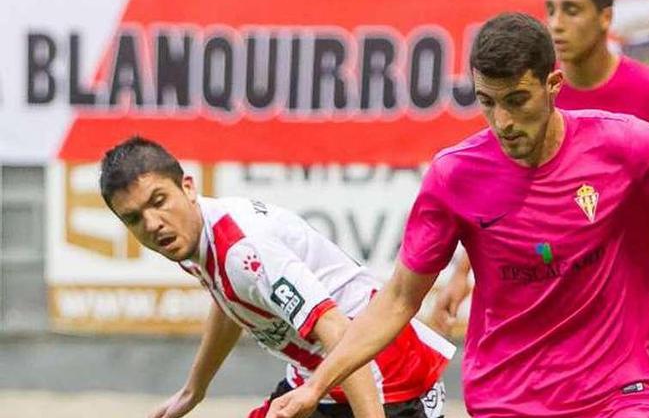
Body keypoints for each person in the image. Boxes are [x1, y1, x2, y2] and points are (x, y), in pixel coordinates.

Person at [266, 13, 649, 418]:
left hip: (620, 393)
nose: (503, 121)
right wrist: (319, 386)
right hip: (507, 398)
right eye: (487, 102)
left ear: (554, 83)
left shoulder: (624, 144)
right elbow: (398, 300)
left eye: (517, 100)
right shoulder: (454, 175)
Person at [430, 0, 649, 335]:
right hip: (544, 278)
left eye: (571, 10)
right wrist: (461, 272)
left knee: (625, 384)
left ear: (605, 17)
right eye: (551, 10)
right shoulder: (537, 93)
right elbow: (502, 186)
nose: (556, 23)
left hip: (624, 282)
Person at [99, 137, 454, 418]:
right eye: (133, 219)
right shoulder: (195, 236)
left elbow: (337, 330)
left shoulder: (242, 250)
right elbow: (229, 301)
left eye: (158, 201)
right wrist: (194, 391)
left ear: (188, 187)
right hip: (322, 375)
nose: (151, 224)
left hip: (385, 377)